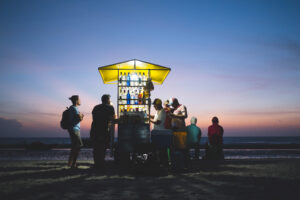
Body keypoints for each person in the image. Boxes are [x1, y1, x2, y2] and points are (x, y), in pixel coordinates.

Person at [90, 94, 116, 169]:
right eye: (109, 99)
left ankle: (96, 164)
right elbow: (113, 118)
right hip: (103, 130)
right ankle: (101, 164)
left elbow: (94, 118)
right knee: (102, 148)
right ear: (107, 100)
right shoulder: (110, 107)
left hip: (94, 129)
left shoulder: (96, 107)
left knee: (96, 148)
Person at [68, 95, 84, 168]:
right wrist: (81, 116)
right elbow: (77, 118)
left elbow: (77, 118)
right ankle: (73, 163)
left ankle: (71, 163)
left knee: (75, 146)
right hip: (74, 129)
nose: (80, 100)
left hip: (75, 129)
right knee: (78, 145)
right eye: (79, 99)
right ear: (76, 100)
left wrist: (80, 116)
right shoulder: (73, 109)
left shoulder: (74, 108)